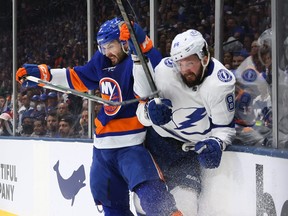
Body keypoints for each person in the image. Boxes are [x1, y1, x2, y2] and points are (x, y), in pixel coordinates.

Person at [16, 17, 181, 216]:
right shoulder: (101, 61)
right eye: (102, 47)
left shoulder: (136, 59)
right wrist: (44, 76)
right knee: (112, 208)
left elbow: (153, 75)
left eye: (110, 46)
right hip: (102, 150)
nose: (107, 53)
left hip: (133, 145)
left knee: (153, 199)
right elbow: (77, 77)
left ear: (124, 44)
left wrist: (143, 45)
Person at [133, 29, 236, 215]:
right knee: (146, 202)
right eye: (181, 64)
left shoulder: (220, 84)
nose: (185, 70)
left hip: (188, 154)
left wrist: (216, 143)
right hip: (157, 145)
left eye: (190, 63)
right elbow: (140, 111)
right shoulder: (165, 72)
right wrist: (150, 112)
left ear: (204, 57)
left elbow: (224, 130)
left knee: (186, 207)